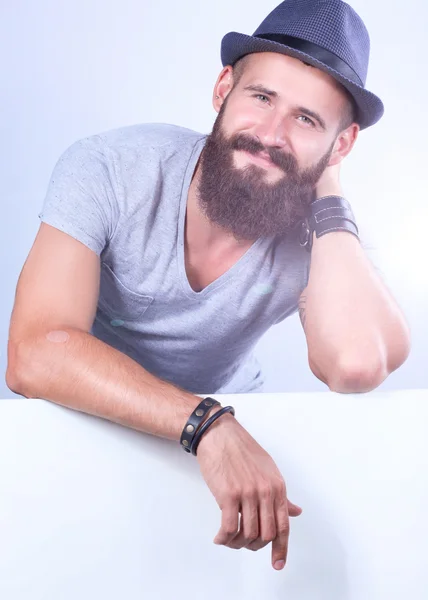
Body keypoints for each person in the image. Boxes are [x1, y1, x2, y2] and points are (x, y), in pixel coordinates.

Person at [6, 0, 410, 572]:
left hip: (230, 438)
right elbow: (32, 354)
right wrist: (206, 424)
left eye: (307, 120)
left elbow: (355, 365)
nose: (270, 134)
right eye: (262, 97)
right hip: (89, 422)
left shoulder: (319, 235)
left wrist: (330, 193)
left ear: (340, 146)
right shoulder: (111, 168)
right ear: (224, 89)